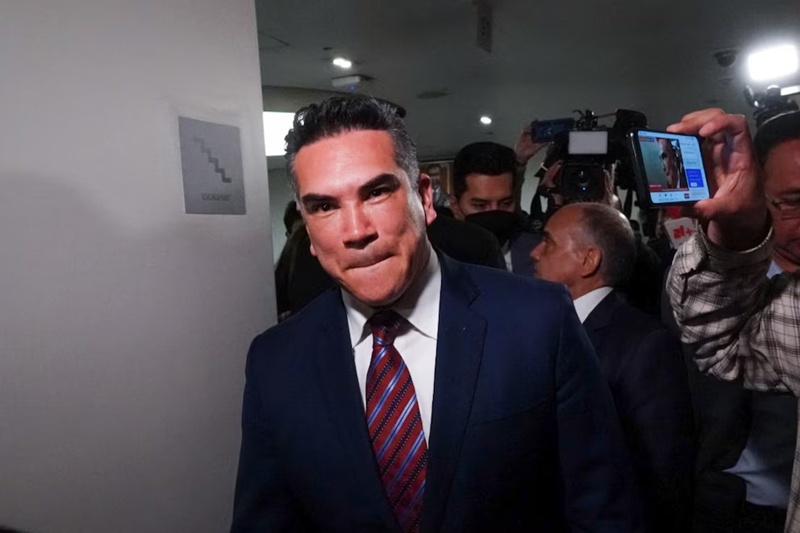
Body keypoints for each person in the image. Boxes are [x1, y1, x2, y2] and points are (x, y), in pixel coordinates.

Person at [231, 95, 642, 531]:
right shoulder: (276, 361)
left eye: (376, 192)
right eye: (325, 207)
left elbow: (605, 509)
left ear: (425, 199)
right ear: (307, 230)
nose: (356, 231)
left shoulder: (538, 320)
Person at [665, 108, 800, 532]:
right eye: (794, 202)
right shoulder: (730, 291)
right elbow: (718, 343)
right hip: (738, 504)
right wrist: (738, 231)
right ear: (760, 195)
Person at [531, 202, 694, 532]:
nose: (534, 253)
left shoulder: (644, 344)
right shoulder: (542, 328)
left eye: (547, 242)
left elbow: (662, 472)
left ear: (588, 259)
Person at [450, 141, 540, 276]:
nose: (494, 211)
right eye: (480, 205)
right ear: (455, 205)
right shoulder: (438, 262)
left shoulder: (539, 253)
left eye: (505, 203)